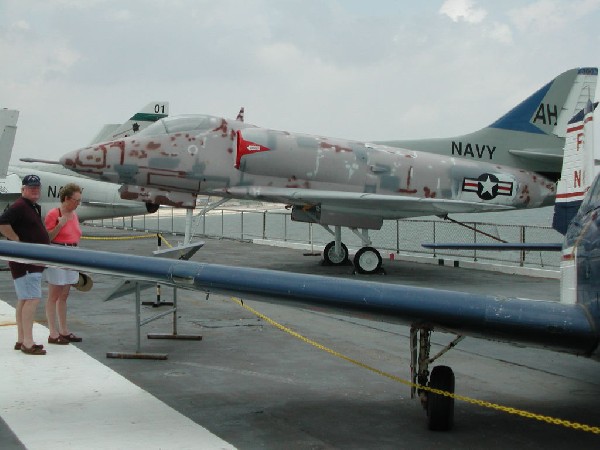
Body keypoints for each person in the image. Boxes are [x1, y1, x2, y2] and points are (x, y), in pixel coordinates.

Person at [0, 174, 50, 355]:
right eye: (31, 188)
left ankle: (22, 338)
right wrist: (17, 241)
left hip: (27, 262)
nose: (35, 190)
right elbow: (2, 222)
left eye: (37, 187)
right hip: (27, 263)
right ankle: (28, 343)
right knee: (32, 299)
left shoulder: (29, 206)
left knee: (24, 299)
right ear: (23, 190)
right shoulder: (20, 206)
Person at [44, 183, 83, 345]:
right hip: (58, 252)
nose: (77, 204)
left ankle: (64, 329)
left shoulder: (74, 215)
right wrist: (60, 224)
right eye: (76, 200)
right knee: (54, 294)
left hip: (72, 252)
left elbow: (76, 234)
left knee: (64, 294)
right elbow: (48, 238)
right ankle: (53, 332)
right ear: (66, 198)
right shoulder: (54, 214)